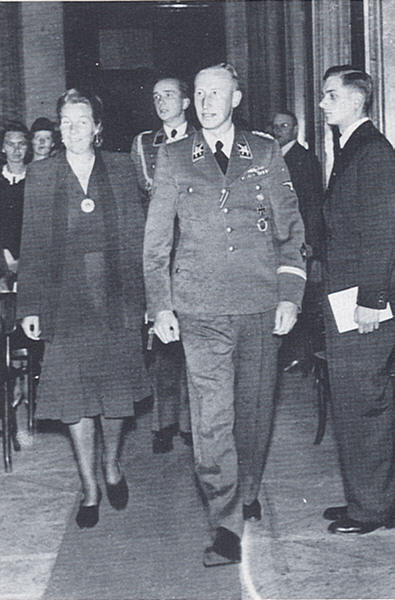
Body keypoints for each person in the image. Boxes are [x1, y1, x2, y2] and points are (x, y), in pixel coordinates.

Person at [144, 63, 306, 565]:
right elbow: (156, 243)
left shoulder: (263, 151)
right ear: (191, 101)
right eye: (200, 93)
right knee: (211, 420)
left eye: (218, 93)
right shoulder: (172, 157)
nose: (208, 101)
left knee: (253, 416)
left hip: (259, 304)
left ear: (236, 97)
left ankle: (248, 486)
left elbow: (290, 232)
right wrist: (160, 305)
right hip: (201, 309)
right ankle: (226, 521)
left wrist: (289, 297)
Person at [16, 89, 150, 529]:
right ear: (59, 128)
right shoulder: (42, 174)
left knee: (114, 397)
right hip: (64, 302)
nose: (74, 130)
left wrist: (147, 304)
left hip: (116, 299)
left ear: (97, 127)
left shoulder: (120, 167)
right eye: (66, 122)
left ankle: (112, 465)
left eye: (82, 121)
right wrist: (30, 306)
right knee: (73, 400)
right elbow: (32, 245)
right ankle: (89, 485)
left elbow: (136, 240)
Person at [319, 65, 395, 534]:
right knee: (355, 400)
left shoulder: (373, 152)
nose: (324, 103)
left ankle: (372, 508)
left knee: (364, 403)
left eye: (330, 96)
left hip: (363, 302)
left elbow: (383, 234)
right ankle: (367, 498)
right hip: (346, 295)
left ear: (355, 100)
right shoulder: (351, 147)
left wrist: (372, 298)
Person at [131, 77, 194, 453]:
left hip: (195, 253)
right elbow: (143, 198)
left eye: (169, 95)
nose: (162, 102)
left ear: (186, 101)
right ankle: (163, 422)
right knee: (161, 343)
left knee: (195, 341)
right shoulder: (143, 144)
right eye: (155, 96)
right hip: (159, 253)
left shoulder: (202, 140)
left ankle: (189, 422)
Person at [272, 110, 324, 371]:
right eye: (275, 126)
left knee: (300, 296)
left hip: (300, 239)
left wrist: (311, 240)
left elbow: (313, 204)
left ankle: (301, 355)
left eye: (284, 126)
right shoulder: (272, 157)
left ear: (295, 130)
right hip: (281, 240)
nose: (277, 130)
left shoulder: (304, 159)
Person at [0, 121, 30, 272]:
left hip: (29, 259)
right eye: (10, 144)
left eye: (21, 144)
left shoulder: (36, 180)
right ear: (3, 148)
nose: (16, 150)